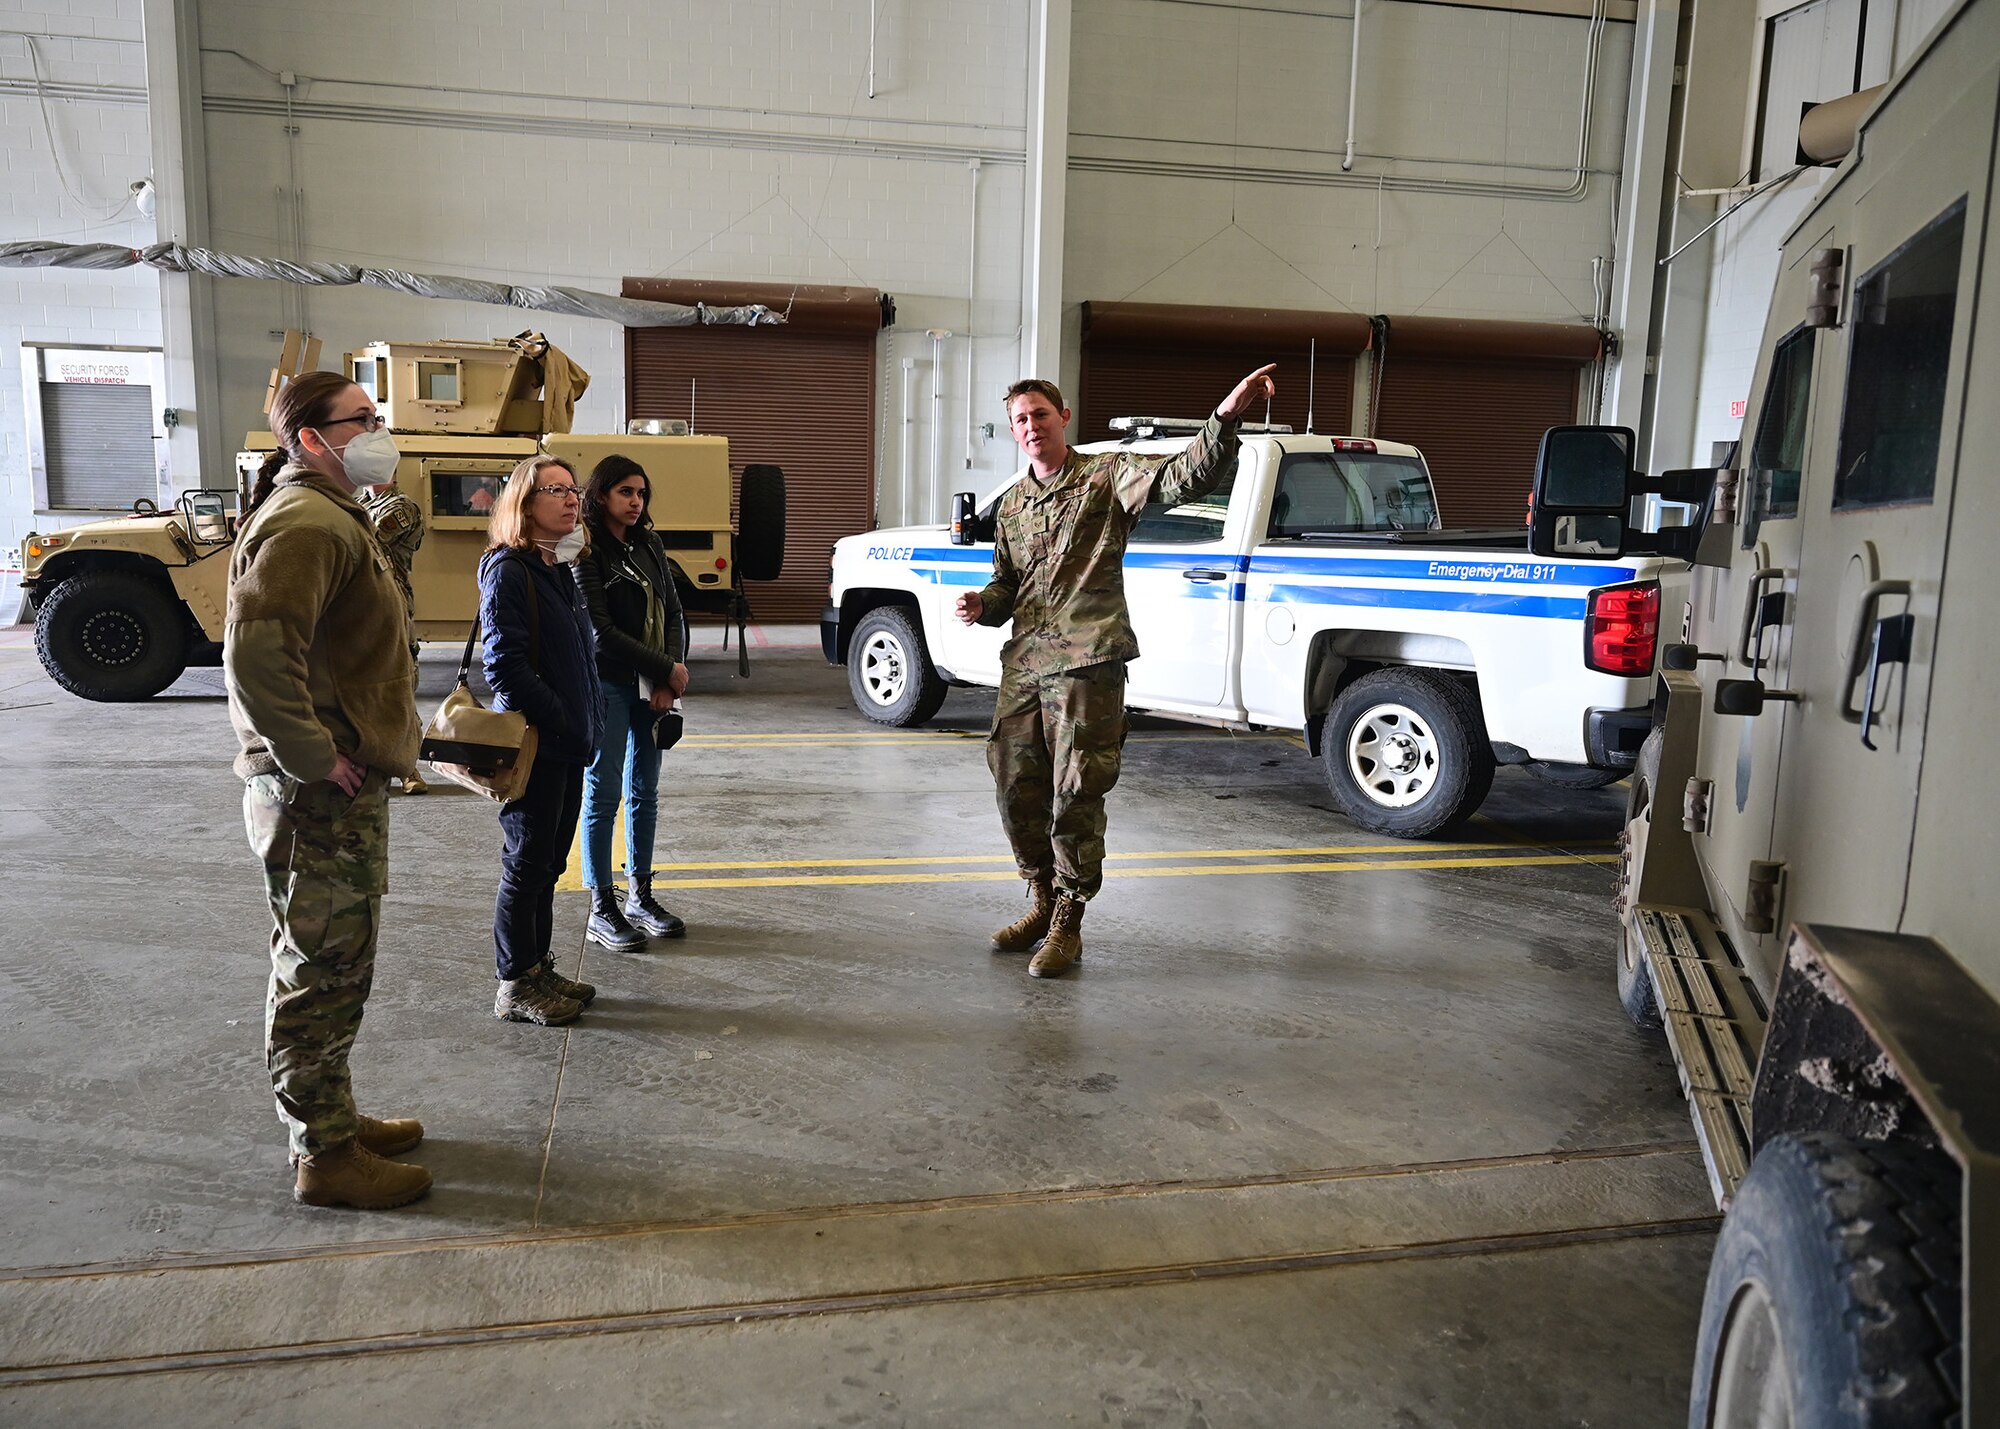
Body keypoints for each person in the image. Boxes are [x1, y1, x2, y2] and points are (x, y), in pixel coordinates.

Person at [955, 365, 1277, 979]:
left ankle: (1069, 921)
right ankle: (1042, 900)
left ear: (1063, 418)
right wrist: (983, 604)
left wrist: (1227, 414)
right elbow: (1006, 584)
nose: (1030, 427)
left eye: (1040, 416)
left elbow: (1185, 479)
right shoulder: (1014, 503)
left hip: (1088, 662)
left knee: (1076, 792)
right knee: (1015, 785)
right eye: (1020, 420)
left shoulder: (1106, 477)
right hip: (1025, 664)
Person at [225, 369, 430, 1209]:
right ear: (312, 438)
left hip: (335, 788)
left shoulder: (334, 513)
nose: (379, 430)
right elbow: (256, 653)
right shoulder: (309, 521)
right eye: (363, 418)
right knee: (320, 970)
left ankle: (332, 1115)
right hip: (316, 796)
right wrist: (312, 753)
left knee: (336, 963)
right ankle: (326, 1157)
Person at [479, 455, 605, 1026]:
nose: (571, 499)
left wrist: (587, 724)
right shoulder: (509, 570)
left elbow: (579, 660)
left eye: (573, 489)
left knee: (549, 863)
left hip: (568, 743)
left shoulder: (557, 567)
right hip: (538, 745)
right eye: (555, 490)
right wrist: (562, 720)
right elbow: (504, 667)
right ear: (524, 504)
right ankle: (513, 984)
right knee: (526, 863)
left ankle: (537, 968)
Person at [574, 454, 691, 950]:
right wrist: (664, 668)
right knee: (603, 794)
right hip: (608, 684)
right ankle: (602, 906)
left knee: (645, 790)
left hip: (652, 687)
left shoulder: (649, 543)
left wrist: (670, 674)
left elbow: (673, 612)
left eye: (641, 493)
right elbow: (599, 632)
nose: (635, 502)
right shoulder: (584, 549)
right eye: (625, 491)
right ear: (601, 495)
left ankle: (640, 894)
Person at [361, 479, 430, 795]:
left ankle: (407, 767)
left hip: (391, 606)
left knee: (399, 687)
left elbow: (366, 542)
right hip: (357, 607)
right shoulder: (358, 502)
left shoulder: (402, 507)